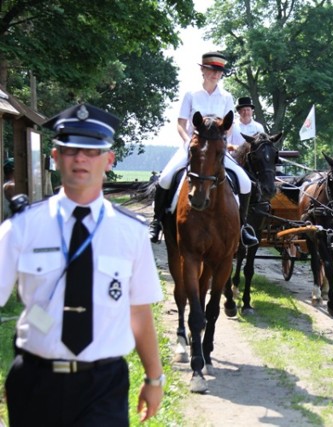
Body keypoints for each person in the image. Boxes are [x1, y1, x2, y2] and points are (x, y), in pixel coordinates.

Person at [0, 103, 165, 426]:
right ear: (55, 156)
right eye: (71, 150)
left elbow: (139, 311)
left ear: (109, 160)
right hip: (35, 381)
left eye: (91, 151)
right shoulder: (21, 228)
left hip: (102, 385)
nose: (80, 159)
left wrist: (154, 378)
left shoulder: (130, 232)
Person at [148, 51, 259, 248]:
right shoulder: (191, 95)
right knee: (165, 177)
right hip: (193, 147)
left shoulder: (226, 97)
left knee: (245, 182)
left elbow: (229, 125)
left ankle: (243, 226)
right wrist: (187, 141)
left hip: (216, 150)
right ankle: (157, 221)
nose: (215, 75)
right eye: (211, 70)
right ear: (203, 71)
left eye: (218, 72)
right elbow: (181, 123)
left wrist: (223, 142)